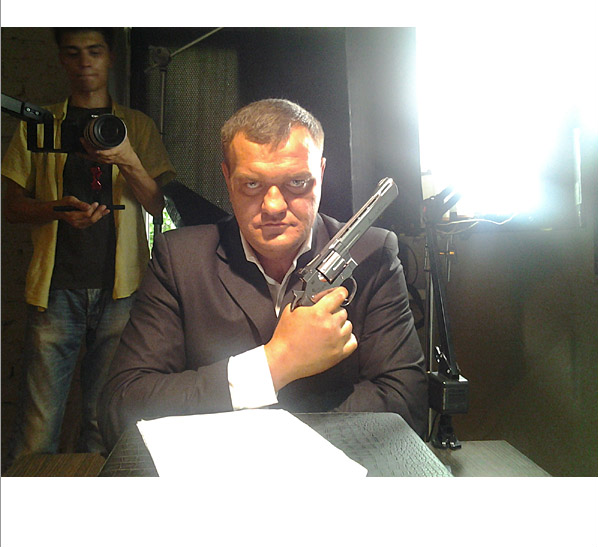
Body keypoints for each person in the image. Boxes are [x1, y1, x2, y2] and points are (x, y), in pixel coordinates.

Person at [98, 98, 427, 451]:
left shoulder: (374, 253)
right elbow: (122, 409)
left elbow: (406, 407)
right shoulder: (180, 259)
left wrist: (252, 417)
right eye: (252, 184)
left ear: (321, 173)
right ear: (227, 178)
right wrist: (275, 364)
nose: (273, 206)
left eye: (297, 182)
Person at [1, 27, 176, 465]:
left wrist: (126, 157)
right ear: (61, 59)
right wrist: (56, 211)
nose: (84, 63)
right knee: (39, 424)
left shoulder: (136, 126)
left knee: (104, 421)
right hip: (55, 289)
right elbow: (11, 207)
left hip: (122, 289)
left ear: (110, 57)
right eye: (73, 53)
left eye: (94, 52)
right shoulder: (39, 123)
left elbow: (159, 205)